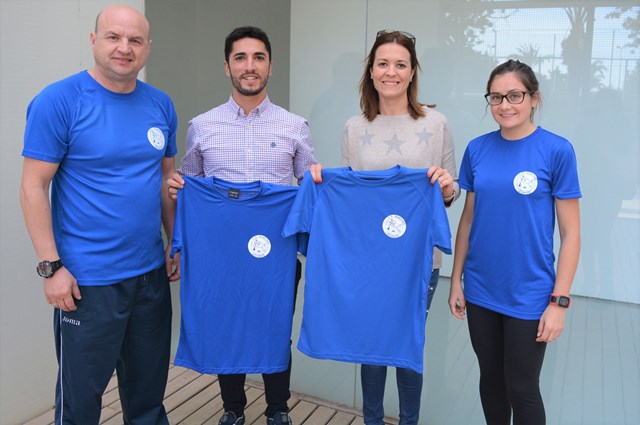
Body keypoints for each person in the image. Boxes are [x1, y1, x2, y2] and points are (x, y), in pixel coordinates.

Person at [19, 5, 178, 425]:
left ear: (147, 47)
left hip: (149, 278)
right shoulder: (59, 101)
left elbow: (166, 182)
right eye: (113, 37)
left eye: (135, 40)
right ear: (94, 40)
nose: (124, 48)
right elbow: (33, 186)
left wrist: (174, 242)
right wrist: (51, 267)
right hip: (87, 282)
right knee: (81, 403)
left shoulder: (160, 105)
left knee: (147, 397)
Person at [167, 26, 321, 425]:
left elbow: (308, 188)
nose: (249, 67)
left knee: (275, 326)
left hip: (276, 251)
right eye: (240, 58)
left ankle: (278, 409)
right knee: (225, 320)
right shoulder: (202, 125)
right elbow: (191, 187)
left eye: (258, 58)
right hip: (220, 252)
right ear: (227, 66)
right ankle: (232, 409)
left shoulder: (295, 126)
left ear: (270, 66)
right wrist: (177, 190)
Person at [448, 59, 581, 425]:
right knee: (491, 382)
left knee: (521, 388)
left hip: (529, 293)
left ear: (534, 98)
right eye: (496, 97)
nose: (505, 105)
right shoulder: (477, 150)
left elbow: (571, 234)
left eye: (515, 95)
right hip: (481, 289)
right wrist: (456, 279)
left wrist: (559, 302)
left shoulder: (557, 150)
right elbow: (469, 219)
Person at [340, 30, 459, 425]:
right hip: (368, 261)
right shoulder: (354, 128)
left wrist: (445, 187)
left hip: (419, 260)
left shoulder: (436, 123)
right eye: (383, 63)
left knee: (409, 347)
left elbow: (450, 193)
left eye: (400, 64)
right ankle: (371, 420)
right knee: (371, 347)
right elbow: (353, 196)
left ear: (412, 73)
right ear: (371, 71)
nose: (391, 71)